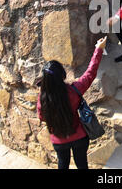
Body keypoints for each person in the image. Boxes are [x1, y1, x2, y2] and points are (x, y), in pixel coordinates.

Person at [37, 37, 107, 169]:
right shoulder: (74, 90)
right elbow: (90, 73)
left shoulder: (43, 98)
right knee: (82, 164)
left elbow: (42, 117)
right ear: (62, 75)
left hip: (58, 139)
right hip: (79, 136)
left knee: (62, 164)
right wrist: (98, 49)